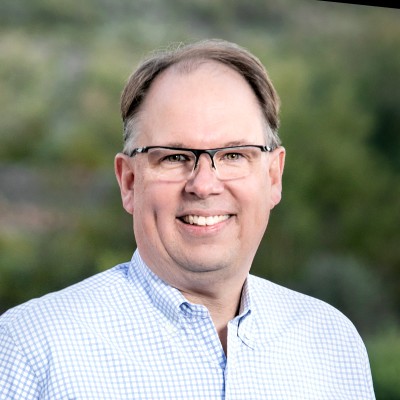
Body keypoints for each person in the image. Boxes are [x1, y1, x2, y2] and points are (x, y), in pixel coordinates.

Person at [0, 39, 375, 399]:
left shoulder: (332, 344)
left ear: (273, 177)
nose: (204, 185)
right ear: (129, 182)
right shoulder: (29, 350)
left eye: (234, 155)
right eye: (173, 157)